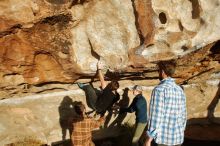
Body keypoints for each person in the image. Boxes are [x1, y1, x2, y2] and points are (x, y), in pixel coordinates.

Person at [145, 60, 187, 146]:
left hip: (163, 139)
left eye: (158, 71)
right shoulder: (180, 90)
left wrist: (149, 139)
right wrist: (181, 131)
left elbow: (156, 116)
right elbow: (184, 115)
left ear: (163, 72)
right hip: (178, 138)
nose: (158, 73)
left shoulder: (159, 90)